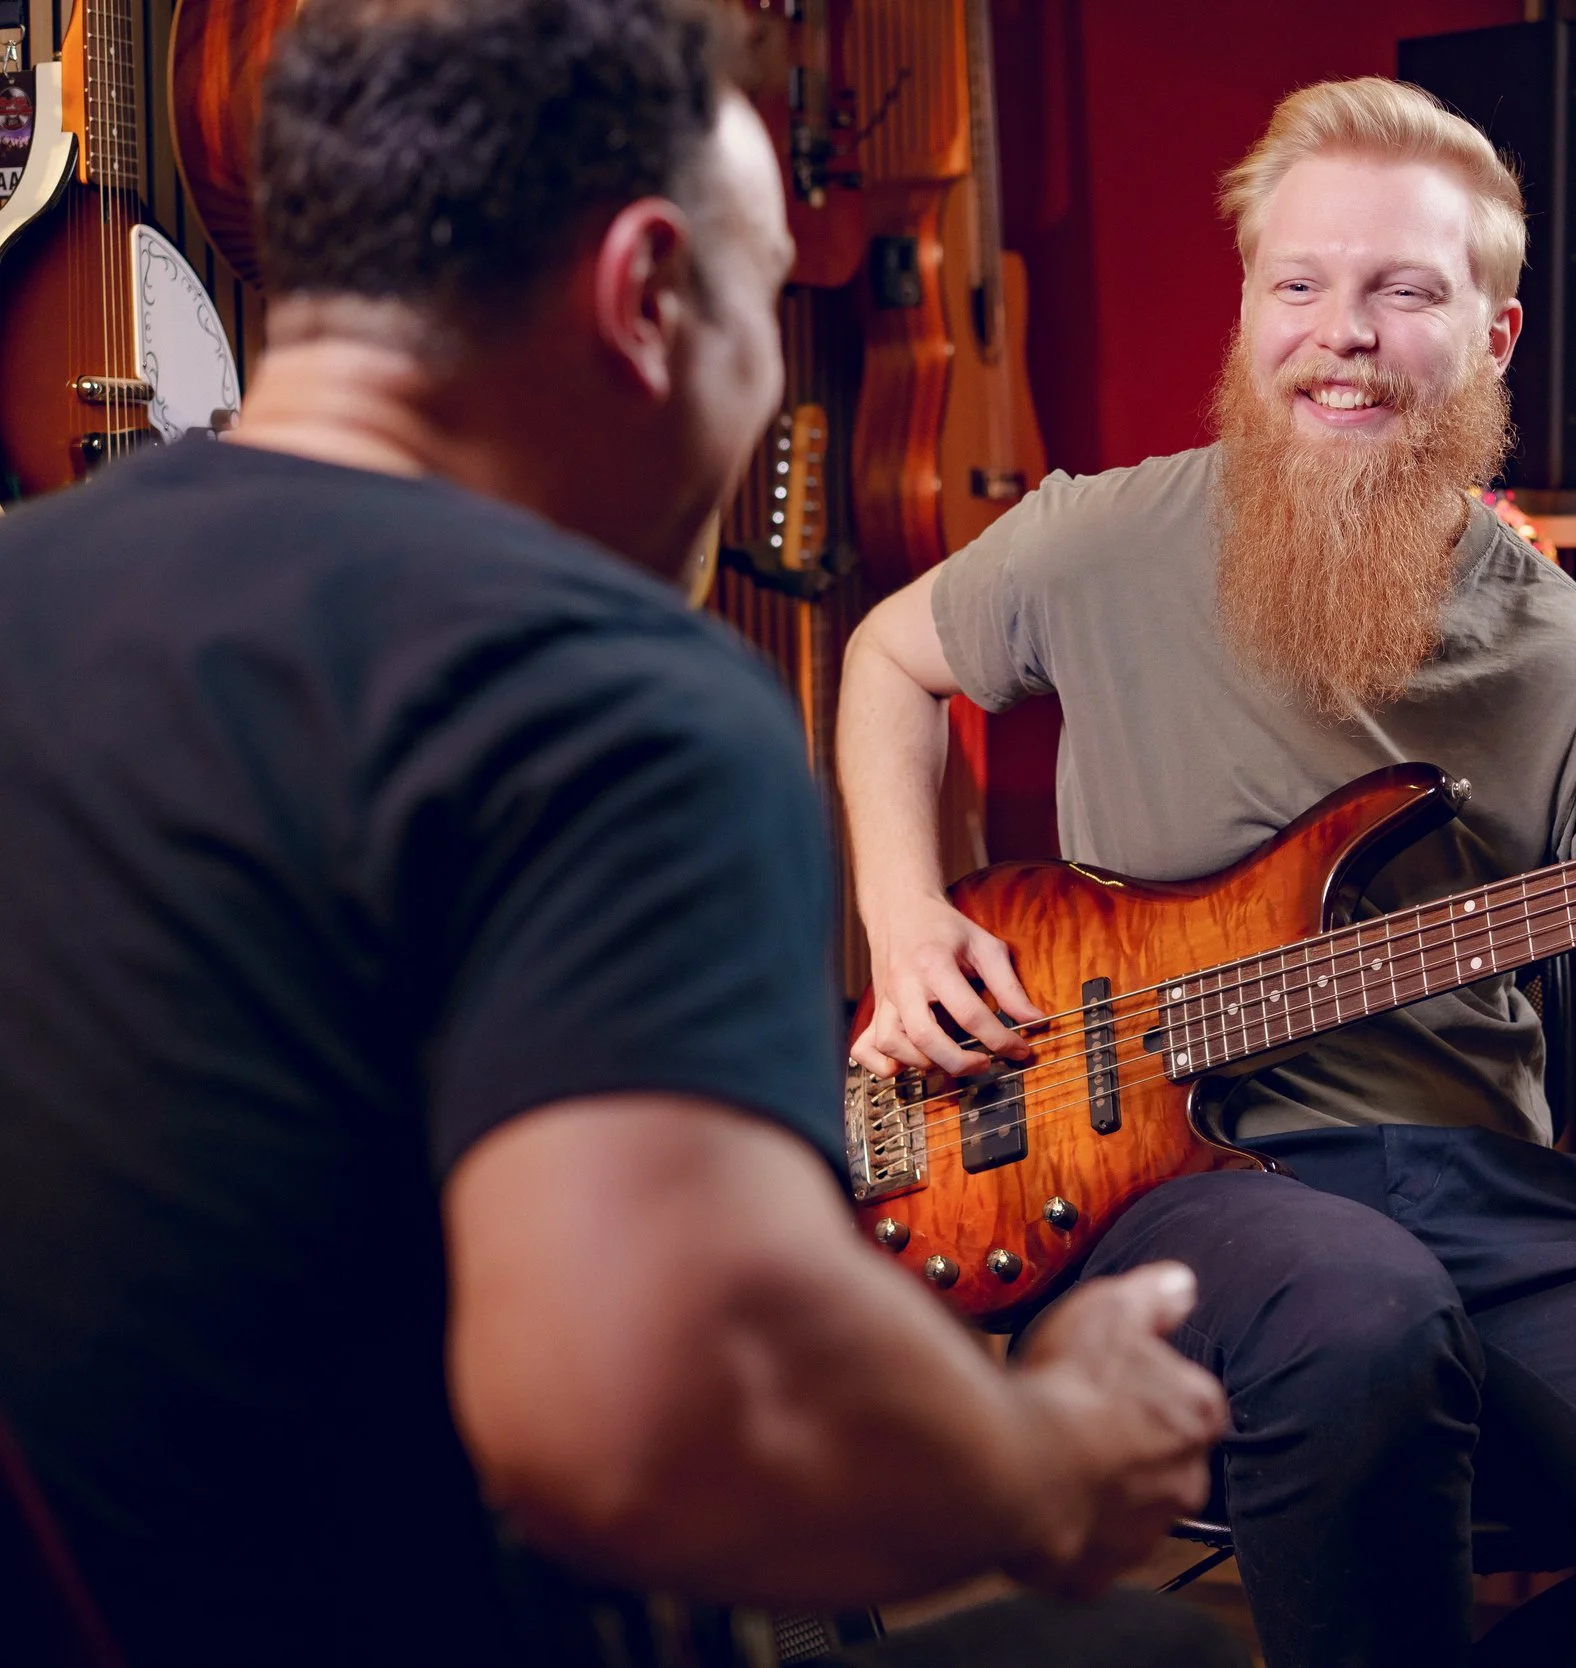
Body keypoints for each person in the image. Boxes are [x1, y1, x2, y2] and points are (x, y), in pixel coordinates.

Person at [0, 3, 1245, 1666]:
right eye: (758, 296)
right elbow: (636, 1417)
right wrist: (1050, 1458)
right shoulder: (610, 701)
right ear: (650, 293)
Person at [838, 77, 1576, 1668]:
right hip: (1149, 1173)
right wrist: (909, 918)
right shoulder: (1101, 543)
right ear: (1251, 310)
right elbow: (887, 658)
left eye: (1406, 291)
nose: (1343, 333)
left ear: (1494, 340)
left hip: (1485, 1194)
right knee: (1358, 1308)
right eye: (1300, 285)